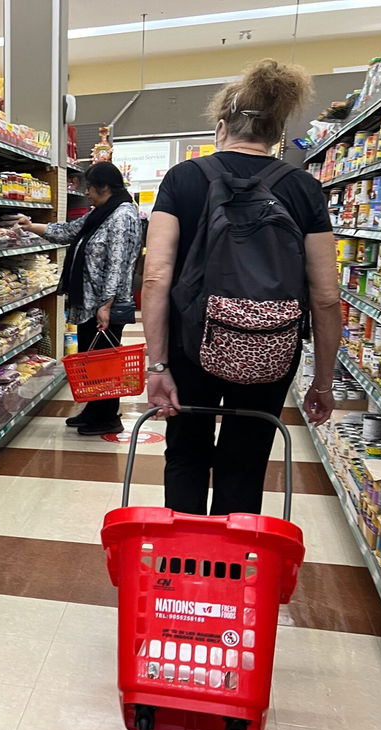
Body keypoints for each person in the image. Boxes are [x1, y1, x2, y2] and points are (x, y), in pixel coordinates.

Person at [141, 58, 339, 515]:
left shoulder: (182, 178)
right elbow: (327, 297)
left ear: (221, 124)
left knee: (186, 453)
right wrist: (323, 381)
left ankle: (185, 567)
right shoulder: (304, 188)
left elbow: (155, 277)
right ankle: (231, 572)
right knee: (246, 461)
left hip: (192, 343)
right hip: (272, 347)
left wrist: (157, 365)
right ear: (277, 132)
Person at [14, 162, 142, 436]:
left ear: (104, 187)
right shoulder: (102, 213)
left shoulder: (122, 215)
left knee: (104, 361)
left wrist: (106, 305)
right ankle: (94, 410)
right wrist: (30, 226)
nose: (88, 195)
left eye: (90, 190)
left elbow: (118, 264)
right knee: (90, 358)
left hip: (103, 305)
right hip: (89, 302)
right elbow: (69, 231)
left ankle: (107, 417)